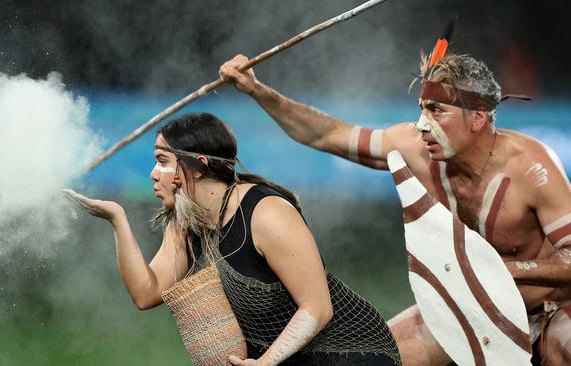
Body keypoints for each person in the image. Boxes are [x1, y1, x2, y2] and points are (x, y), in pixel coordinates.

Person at [219, 50, 571, 365]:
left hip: (549, 308)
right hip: (471, 310)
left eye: (437, 111)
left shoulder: (531, 168)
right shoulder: (414, 147)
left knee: (564, 349)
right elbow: (326, 135)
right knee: (374, 359)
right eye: (422, 109)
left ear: (477, 118)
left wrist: (504, 271)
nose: (423, 125)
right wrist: (257, 90)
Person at [64, 112, 401, 365]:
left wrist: (265, 362)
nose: (153, 174)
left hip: (350, 353)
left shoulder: (267, 213)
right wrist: (117, 220)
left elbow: (317, 308)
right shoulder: (186, 224)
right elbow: (146, 292)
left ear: (197, 167)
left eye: (163, 162)